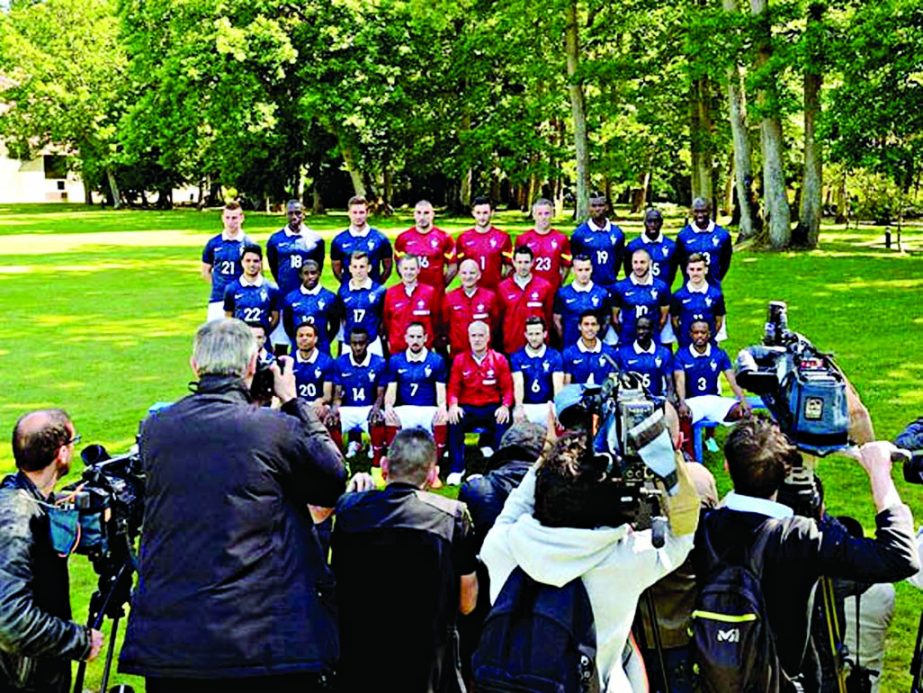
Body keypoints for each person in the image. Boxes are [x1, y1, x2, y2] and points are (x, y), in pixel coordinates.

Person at [119, 319, 347, 692]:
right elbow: (331, 479)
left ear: (195, 365)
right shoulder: (274, 428)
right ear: (252, 366)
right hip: (259, 640)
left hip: (172, 640)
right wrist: (293, 402)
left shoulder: (157, 429)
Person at [692, 419, 919, 691]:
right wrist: (879, 471)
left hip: (715, 676)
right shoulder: (800, 537)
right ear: (786, 469)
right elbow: (897, 556)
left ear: (727, 467)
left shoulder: (702, 527)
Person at [480, 428, 700, 691]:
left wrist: (550, 452)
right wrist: (662, 451)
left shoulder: (501, 546)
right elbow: (684, 531)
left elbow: (518, 503)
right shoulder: (627, 561)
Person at [331, 428, 477, 693]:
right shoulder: (452, 518)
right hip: (427, 668)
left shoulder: (349, 510)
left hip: (360, 665)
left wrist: (354, 493)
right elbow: (468, 604)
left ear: (384, 466)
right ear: (433, 475)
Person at [0, 410, 104, 692]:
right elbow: (10, 621)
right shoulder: (16, 519)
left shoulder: (24, 499)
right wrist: (80, 641)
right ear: (62, 454)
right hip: (20, 681)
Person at [446, 321, 514, 485]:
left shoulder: (499, 359)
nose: (477, 339)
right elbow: (453, 388)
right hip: (467, 407)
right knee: (454, 421)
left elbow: (508, 389)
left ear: (488, 337)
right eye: (473, 336)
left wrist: (505, 406)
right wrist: (453, 405)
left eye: (481, 335)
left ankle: (499, 468)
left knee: (503, 420)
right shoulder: (460, 360)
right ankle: (457, 468)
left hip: (492, 406)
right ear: (468, 338)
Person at [383, 322, 449, 463]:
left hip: (428, 409)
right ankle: (393, 462)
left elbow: (441, 390)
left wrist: (442, 407)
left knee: (442, 418)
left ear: (425, 338)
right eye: (412, 337)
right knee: (389, 417)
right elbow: (391, 390)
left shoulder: (436, 361)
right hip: (406, 408)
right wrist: (388, 406)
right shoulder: (396, 360)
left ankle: (434, 466)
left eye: (419, 337)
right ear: (406, 338)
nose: (415, 341)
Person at [266, 200, 325, 345]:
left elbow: (318, 266)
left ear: (304, 214)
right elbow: (274, 266)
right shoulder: (275, 240)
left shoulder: (316, 239)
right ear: (286, 214)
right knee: (281, 342)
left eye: (298, 213)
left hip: (307, 297)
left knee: (306, 340)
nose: (294, 217)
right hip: (283, 296)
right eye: (291, 213)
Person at [674, 320, 750, 426]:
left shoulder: (719, 354)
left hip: (714, 400)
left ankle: (732, 440)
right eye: (696, 333)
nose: (699, 336)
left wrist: (743, 400)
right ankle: (690, 442)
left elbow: (732, 380)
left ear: (709, 334)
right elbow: (680, 381)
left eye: (703, 332)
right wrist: (682, 402)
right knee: (681, 415)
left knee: (740, 412)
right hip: (692, 402)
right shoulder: (681, 355)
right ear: (690, 335)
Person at [328, 327, 387, 462]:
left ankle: (377, 458)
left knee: (378, 418)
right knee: (331, 422)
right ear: (349, 343)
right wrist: (333, 410)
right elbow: (337, 394)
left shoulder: (379, 363)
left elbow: (380, 394)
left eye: (361, 343)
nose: (358, 347)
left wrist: (376, 408)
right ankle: (339, 461)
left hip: (368, 408)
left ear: (368, 343)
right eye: (354, 343)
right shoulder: (340, 362)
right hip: (348, 409)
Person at [495, 245, 555, 355]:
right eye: (519, 262)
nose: (523, 266)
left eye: (526, 262)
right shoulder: (503, 287)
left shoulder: (544, 286)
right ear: (513, 262)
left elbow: (549, 316)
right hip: (511, 347)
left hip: (538, 349)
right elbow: (499, 319)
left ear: (533, 262)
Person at [394, 200, 457, 300]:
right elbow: (399, 264)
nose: (422, 217)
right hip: (412, 295)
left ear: (433, 214)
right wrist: (408, 282)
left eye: (426, 213)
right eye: (418, 213)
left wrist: (441, 284)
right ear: (414, 215)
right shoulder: (403, 238)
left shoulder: (444, 238)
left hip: (436, 295)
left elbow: (453, 265)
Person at [611, 247, 671, 346]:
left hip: (653, 339)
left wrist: (652, 331)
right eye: (635, 262)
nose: (638, 266)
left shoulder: (661, 287)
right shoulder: (620, 287)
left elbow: (663, 317)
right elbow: (615, 318)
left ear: (650, 263)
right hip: (628, 339)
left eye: (642, 262)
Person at [201, 200, 250, 321]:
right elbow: (205, 272)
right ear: (222, 218)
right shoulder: (213, 243)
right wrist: (219, 285)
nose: (231, 222)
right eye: (227, 218)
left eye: (234, 218)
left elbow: (256, 274)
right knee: (214, 337)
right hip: (217, 299)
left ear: (241, 218)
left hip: (241, 300)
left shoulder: (249, 244)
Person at [510, 317, 564, 426]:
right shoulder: (517, 356)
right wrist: (519, 406)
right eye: (530, 334)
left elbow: (558, 386)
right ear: (525, 334)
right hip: (527, 406)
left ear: (545, 334)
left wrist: (559, 408)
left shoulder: (554, 356)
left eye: (537, 334)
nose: (534, 338)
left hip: (548, 405)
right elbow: (518, 383)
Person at [382, 254, 438, 354]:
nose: (409, 272)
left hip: (423, 351)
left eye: (412, 269)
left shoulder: (429, 292)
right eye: (406, 269)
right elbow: (387, 321)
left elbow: (435, 320)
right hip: (398, 350)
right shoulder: (391, 293)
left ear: (418, 270)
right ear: (399, 270)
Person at [552, 254, 610, 349]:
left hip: (594, 348)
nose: (584, 274)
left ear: (591, 269)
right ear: (573, 270)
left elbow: (606, 320)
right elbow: (556, 320)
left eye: (587, 269)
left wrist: (597, 337)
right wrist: (564, 338)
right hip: (570, 346)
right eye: (580, 270)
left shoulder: (602, 294)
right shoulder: (562, 294)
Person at [330, 195, 393, 284]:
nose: (358, 216)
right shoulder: (338, 241)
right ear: (349, 213)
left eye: (361, 212)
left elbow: (388, 268)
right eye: (354, 212)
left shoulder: (380, 239)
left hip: (373, 292)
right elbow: (336, 269)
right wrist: (347, 285)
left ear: (368, 212)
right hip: (348, 293)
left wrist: (376, 285)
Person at [570, 192, 625, 292]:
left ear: (607, 207)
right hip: (587, 287)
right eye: (594, 206)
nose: (597, 209)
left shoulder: (617, 233)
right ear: (589, 208)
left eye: (601, 205)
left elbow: (619, 259)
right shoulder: (579, 234)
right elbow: (575, 259)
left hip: (611, 285)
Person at [455, 196, 512, 291]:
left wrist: (501, 283)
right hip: (471, 292)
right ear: (473, 213)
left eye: (485, 213)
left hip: (495, 292)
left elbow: (509, 266)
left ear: (492, 213)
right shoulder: (463, 238)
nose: (482, 217)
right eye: (478, 213)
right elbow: (458, 266)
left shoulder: (503, 237)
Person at [335, 251, 387, 356]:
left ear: (369, 268)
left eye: (362, 266)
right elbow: (342, 318)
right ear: (349, 269)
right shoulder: (343, 291)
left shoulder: (379, 291)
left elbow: (383, 318)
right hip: (349, 343)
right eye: (355, 267)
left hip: (372, 342)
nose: (358, 271)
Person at [442, 259, 499, 355]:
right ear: (459, 275)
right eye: (464, 273)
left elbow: (495, 324)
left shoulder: (490, 297)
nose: (468, 277)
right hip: (458, 354)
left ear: (479, 275)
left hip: (484, 354)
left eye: (472, 273)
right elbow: (445, 324)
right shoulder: (449, 298)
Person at [669, 253, 726, 348]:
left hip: (709, 345)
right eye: (692, 269)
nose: (695, 273)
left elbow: (719, 321)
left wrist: (709, 336)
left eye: (699, 269)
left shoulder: (716, 295)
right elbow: (674, 321)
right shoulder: (678, 296)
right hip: (685, 344)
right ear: (687, 270)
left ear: (706, 270)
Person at [281, 260, 338, 355]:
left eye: (313, 273)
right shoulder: (290, 298)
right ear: (300, 275)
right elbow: (287, 324)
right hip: (297, 349)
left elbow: (335, 325)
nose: (310, 277)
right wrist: (298, 339)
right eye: (306, 273)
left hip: (322, 349)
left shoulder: (329, 297)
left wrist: (324, 340)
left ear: (319, 273)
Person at [515, 198, 572, 292]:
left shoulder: (561, 238)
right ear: (533, 215)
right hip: (529, 290)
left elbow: (566, 265)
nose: (543, 217)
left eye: (547, 213)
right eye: (539, 214)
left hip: (552, 288)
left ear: (552, 214)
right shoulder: (523, 239)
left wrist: (559, 282)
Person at [223, 243, 281, 335]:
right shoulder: (231, 288)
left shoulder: (271, 288)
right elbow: (229, 317)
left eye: (256, 261)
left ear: (261, 263)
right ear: (242, 262)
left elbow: (275, 318)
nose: (252, 264)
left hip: (263, 341)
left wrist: (263, 334)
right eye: (248, 261)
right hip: (240, 341)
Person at [675, 197, 733, 288]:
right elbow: (682, 262)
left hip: (713, 287)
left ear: (710, 211)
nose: (700, 215)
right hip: (689, 288)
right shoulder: (683, 235)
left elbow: (725, 261)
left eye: (703, 211)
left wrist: (716, 278)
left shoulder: (722, 235)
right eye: (696, 211)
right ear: (692, 212)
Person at [615, 316, 674, 398]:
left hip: (657, 399)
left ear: (652, 331)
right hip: (630, 400)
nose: (641, 331)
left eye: (645, 328)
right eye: (638, 328)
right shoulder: (623, 353)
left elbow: (669, 379)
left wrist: (670, 397)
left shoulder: (663, 352)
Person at [291, 321, 336, 420]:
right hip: (296, 402)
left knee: (322, 410)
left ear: (315, 339)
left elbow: (327, 395)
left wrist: (319, 401)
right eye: (301, 335)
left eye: (309, 335)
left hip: (317, 403)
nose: (304, 338)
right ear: (296, 339)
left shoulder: (326, 361)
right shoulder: (289, 361)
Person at [561, 310, 619, 386]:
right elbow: (566, 386)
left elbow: (613, 382)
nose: (590, 328)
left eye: (593, 324)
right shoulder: (569, 353)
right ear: (579, 326)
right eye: (586, 324)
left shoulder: (610, 352)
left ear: (598, 327)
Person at [625, 208, 679, 289]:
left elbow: (672, 271)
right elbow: (628, 270)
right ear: (644, 223)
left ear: (661, 223)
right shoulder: (633, 246)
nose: (652, 225)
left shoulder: (671, 246)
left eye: (656, 221)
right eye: (649, 221)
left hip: (662, 292)